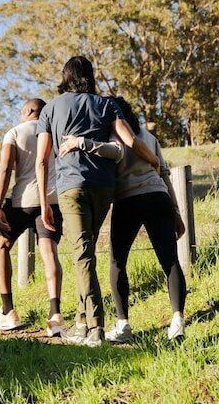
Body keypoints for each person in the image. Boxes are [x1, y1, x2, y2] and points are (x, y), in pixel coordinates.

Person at [36, 56, 160, 347]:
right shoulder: (106, 104)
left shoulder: (50, 108)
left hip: (71, 187)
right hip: (104, 187)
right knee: (86, 252)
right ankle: (81, 323)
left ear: (65, 76)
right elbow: (130, 141)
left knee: (82, 256)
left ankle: (95, 327)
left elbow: (42, 160)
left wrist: (44, 203)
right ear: (90, 77)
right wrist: (154, 160)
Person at [60, 97, 187, 343]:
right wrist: (176, 212)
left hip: (128, 201)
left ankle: (123, 324)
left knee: (118, 262)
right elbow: (164, 173)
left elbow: (113, 153)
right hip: (159, 197)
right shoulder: (149, 137)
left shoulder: (111, 134)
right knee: (170, 260)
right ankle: (178, 321)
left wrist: (81, 143)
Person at [0, 98, 65, 337]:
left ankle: (8, 311)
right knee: (49, 252)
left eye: (22, 110)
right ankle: (55, 315)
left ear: (30, 110)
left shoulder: (14, 132)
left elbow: (4, 168)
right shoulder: (55, 132)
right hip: (52, 201)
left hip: (23, 201)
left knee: (1, 245)